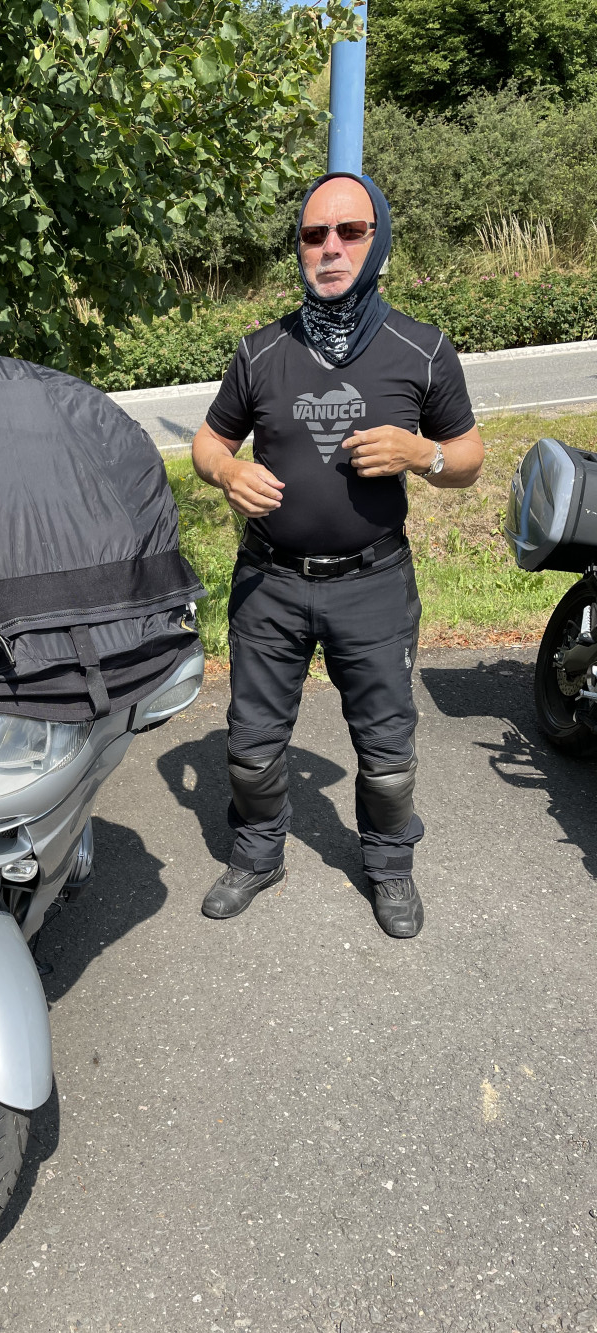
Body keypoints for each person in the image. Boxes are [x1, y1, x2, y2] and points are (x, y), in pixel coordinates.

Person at [191, 171, 483, 937]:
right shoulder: (261, 352)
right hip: (270, 582)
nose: (330, 247)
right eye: (314, 234)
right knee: (251, 746)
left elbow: (470, 457)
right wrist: (226, 472)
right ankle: (257, 853)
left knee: (387, 751)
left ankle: (389, 863)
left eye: (350, 231)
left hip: (373, 584)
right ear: (299, 247)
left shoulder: (421, 349)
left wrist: (421, 453)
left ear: (377, 239)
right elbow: (209, 441)